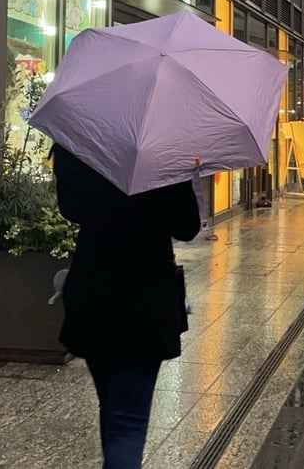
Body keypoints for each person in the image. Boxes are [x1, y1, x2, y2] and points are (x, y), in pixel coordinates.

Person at [51, 143, 201, 469]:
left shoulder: (80, 139)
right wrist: (184, 173)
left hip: (93, 293)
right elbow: (187, 226)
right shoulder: (163, 147)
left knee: (112, 407)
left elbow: (71, 207)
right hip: (145, 300)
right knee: (127, 422)